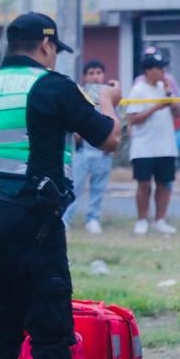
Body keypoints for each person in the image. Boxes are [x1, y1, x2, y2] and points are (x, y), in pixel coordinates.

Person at [0, 12, 124, 359]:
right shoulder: (52, 86)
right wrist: (109, 99)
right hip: (33, 223)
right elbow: (108, 139)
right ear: (46, 46)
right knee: (50, 328)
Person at [126, 48, 180, 235]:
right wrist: (156, 107)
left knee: (164, 183)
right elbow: (132, 119)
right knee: (144, 184)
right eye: (159, 68)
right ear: (148, 70)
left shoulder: (165, 89)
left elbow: (178, 114)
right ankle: (142, 219)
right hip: (144, 146)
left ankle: (160, 220)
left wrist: (170, 100)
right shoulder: (138, 90)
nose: (163, 72)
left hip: (166, 145)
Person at [63, 60, 114, 234]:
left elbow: (116, 121)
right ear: (85, 76)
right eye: (91, 73)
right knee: (75, 186)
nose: (95, 76)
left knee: (98, 188)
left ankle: (93, 219)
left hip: (102, 151)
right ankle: (66, 218)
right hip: (82, 149)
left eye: (98, 72)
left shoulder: (110, 95)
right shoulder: (79, 93)